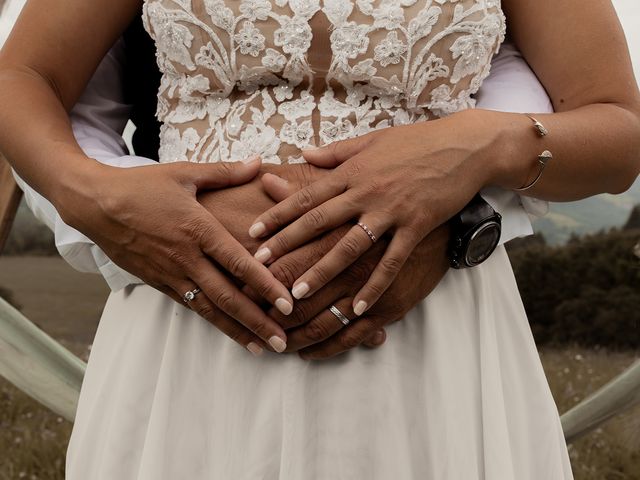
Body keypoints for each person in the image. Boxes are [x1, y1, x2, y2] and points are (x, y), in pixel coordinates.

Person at [0, 1, 638, 479]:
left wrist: (482, 148)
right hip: (185, 321)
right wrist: (99, 196)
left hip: (430, 333)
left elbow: (618, 126)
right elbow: (24, 75)